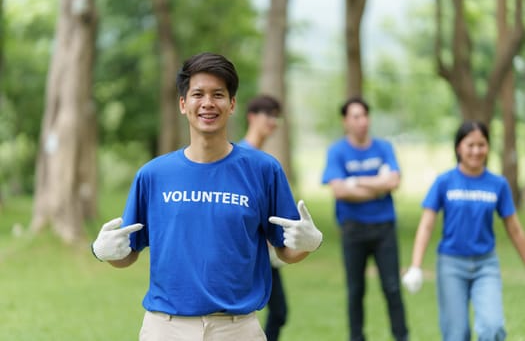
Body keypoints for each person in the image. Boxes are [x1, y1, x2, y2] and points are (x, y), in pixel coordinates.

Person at [91, 52, 323, 341]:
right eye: (198, 94)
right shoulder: (153, 175)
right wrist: (104, 252)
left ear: (232, 103)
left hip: (238, 328)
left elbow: (287, 249)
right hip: (165, 327)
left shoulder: (263, 171)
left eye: (218, 94)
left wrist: (310, 244)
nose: (208, 103)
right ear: (182, 103)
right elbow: (128, 253)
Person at [402, 120, 525, 341]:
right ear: (459, 147)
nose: (476, 151)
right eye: (470, 145)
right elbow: (427, 224)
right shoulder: (444, 182)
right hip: (451, 265)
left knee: (492, 327)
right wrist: (416, 266)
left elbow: (515, 230)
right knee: (456, 334)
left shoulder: (498, 184)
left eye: (482, 145)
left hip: (486, 265)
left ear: (488, 147)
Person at [321, 96, 409, 341]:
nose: (362, 122)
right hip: (353, 230)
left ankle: (402, 336)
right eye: (356, 116)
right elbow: (339, 190)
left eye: (365, 116)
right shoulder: (337, 151)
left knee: (392, 288)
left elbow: (394, 181)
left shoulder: (384, 147)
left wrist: (355, 181)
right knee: (355, 290)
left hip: (384, 229)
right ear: (345, 121)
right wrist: (378, 186)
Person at [238, 94, 288, 341]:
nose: (273, 121)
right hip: (249, 249)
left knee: (279, 312)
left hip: (267, 250)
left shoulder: (265, 160)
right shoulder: (242, 157)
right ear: (251, 117)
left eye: (275, 116)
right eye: (267, 114)